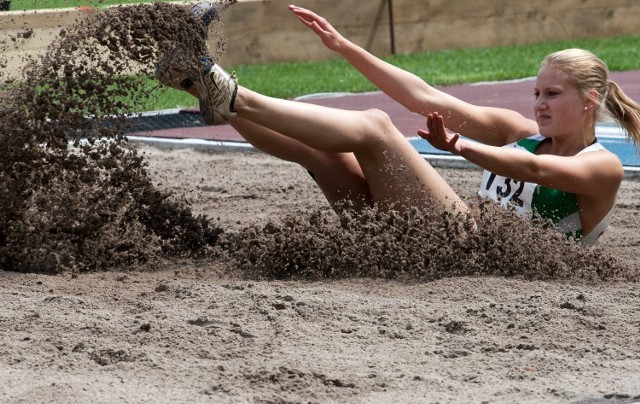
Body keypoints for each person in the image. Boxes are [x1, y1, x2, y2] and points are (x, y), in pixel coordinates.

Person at [156, 3, 640, 245]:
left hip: (473, 251)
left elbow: (533, 173)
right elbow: (422, 95)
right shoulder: (518, 132)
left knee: (374, 127)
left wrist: (458, 147)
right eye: (536, 93)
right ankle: (204, 90)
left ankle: (228, 92)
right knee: (322, 150)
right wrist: (344, 47)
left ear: (589, 100)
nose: (538, 104)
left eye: (552, 94)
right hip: (423, 244)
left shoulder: (603, 169)